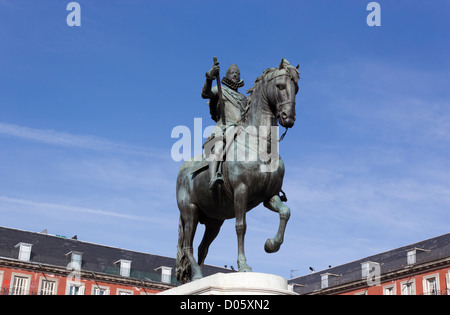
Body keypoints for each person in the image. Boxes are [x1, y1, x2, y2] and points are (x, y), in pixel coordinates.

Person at [201, 61, 248, 190]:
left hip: (241, 129)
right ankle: (213, 178)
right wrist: (209, 77)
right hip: (224, 127)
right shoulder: (220, 90)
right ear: (227, 75)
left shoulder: (243, 98)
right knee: (219, 145)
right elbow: (205, 94)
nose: (235, 75)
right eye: (233, 73)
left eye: (237, 74)